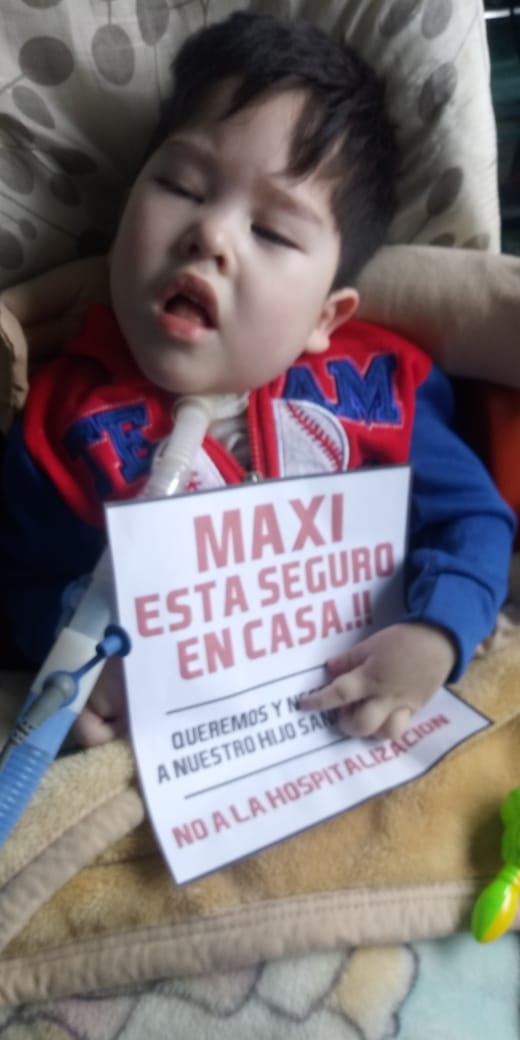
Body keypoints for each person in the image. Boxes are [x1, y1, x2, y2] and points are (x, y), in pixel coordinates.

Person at [0, 11, 514, 747]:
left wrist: (438, 633)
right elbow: (26, 582)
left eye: (271, 230)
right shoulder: (58, 422)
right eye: (181, 185)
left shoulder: (381, 385)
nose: (210, 234)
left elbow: (473, 520)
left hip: (360, 722)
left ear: (325, 317)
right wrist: (75, 655)